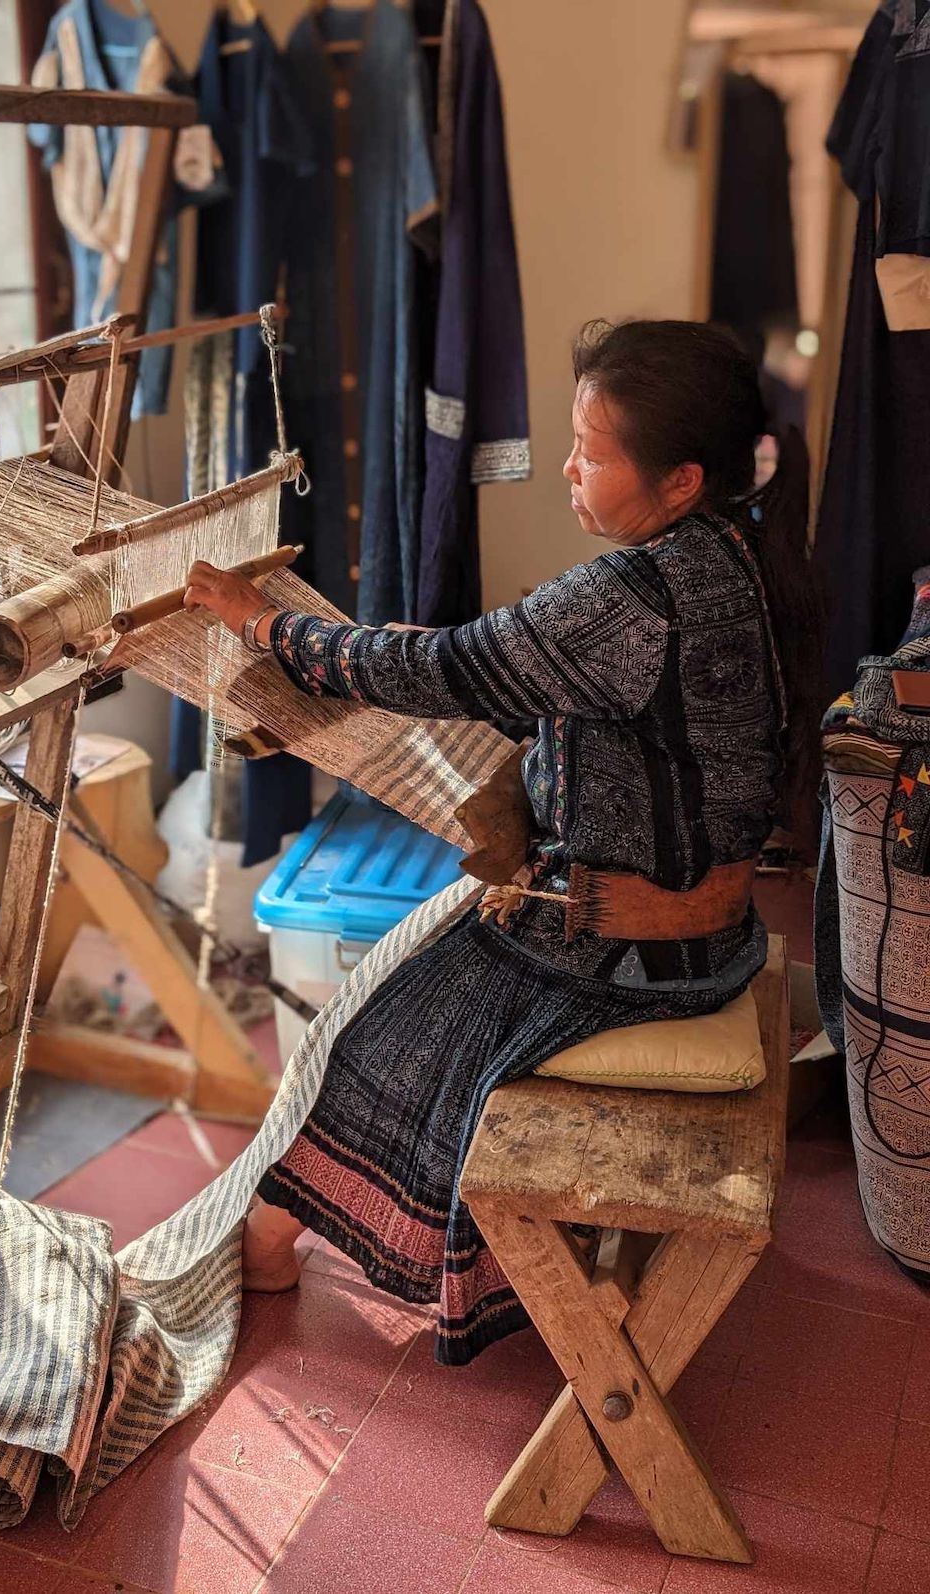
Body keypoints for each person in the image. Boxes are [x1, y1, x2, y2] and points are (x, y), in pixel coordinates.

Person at [183, 319, 822, 1365]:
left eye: (593, 453)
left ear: (678, 482)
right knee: (405, 979)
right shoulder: (743, 555)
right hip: (717, 935)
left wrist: (265, 625)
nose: (567, 470)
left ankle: (268, 1248)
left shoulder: (627, 598)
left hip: (622, 959)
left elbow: (440, 671)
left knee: (366, 1036)